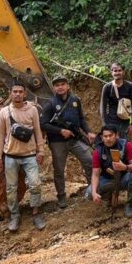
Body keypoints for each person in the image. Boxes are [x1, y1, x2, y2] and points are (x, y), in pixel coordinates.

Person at [0, 82, 46, 232]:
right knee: (11, 188)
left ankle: (36, 213)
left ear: (25, 94)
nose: (17, 94)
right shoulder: (4, 112)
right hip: (10, 156)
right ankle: (15, 215)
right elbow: (0, 136)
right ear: (10, 94)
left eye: (20, 92)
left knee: (35, 183)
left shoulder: (33, 110)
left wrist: (41, 151)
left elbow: (38, 131)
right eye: (14, 91)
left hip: (30, 155)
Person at [40, 74, 95, 209]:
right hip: (57, 142)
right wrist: (60, 131)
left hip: (75, 139)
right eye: (57, 85)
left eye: (62, 84)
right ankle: (62, 197)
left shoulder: (75, 100)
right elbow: (43, 124)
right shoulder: (50, 104)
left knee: (89, 161)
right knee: (59, 170)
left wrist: (88, 132)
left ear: (67, 86)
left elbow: (81, 119)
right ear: (54, 88)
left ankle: (92, 190)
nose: (60, 87)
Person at [88, 126, 132, 218]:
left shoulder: (126, 145)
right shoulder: (98, 151)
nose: (108, 139)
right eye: (105, 136)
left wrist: (125, 167)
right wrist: (94, 193)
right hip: (107, 180)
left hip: (124, 178)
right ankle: (109, 196)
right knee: (89, 193)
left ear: (116, 135)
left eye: (110, 135)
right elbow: (95, 174)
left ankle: (129, 205)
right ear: (102, 137)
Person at [99, 62, 132, 140]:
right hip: (111, 122)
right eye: (115, 71)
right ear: (111, 72)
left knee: (125, 145)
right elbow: (103, 107)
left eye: (119, 70)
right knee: (113, 146)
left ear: (123, 72)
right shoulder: (107, 87)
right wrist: (105, 126)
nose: (117, 73)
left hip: (125, 122)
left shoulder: (129, 86)